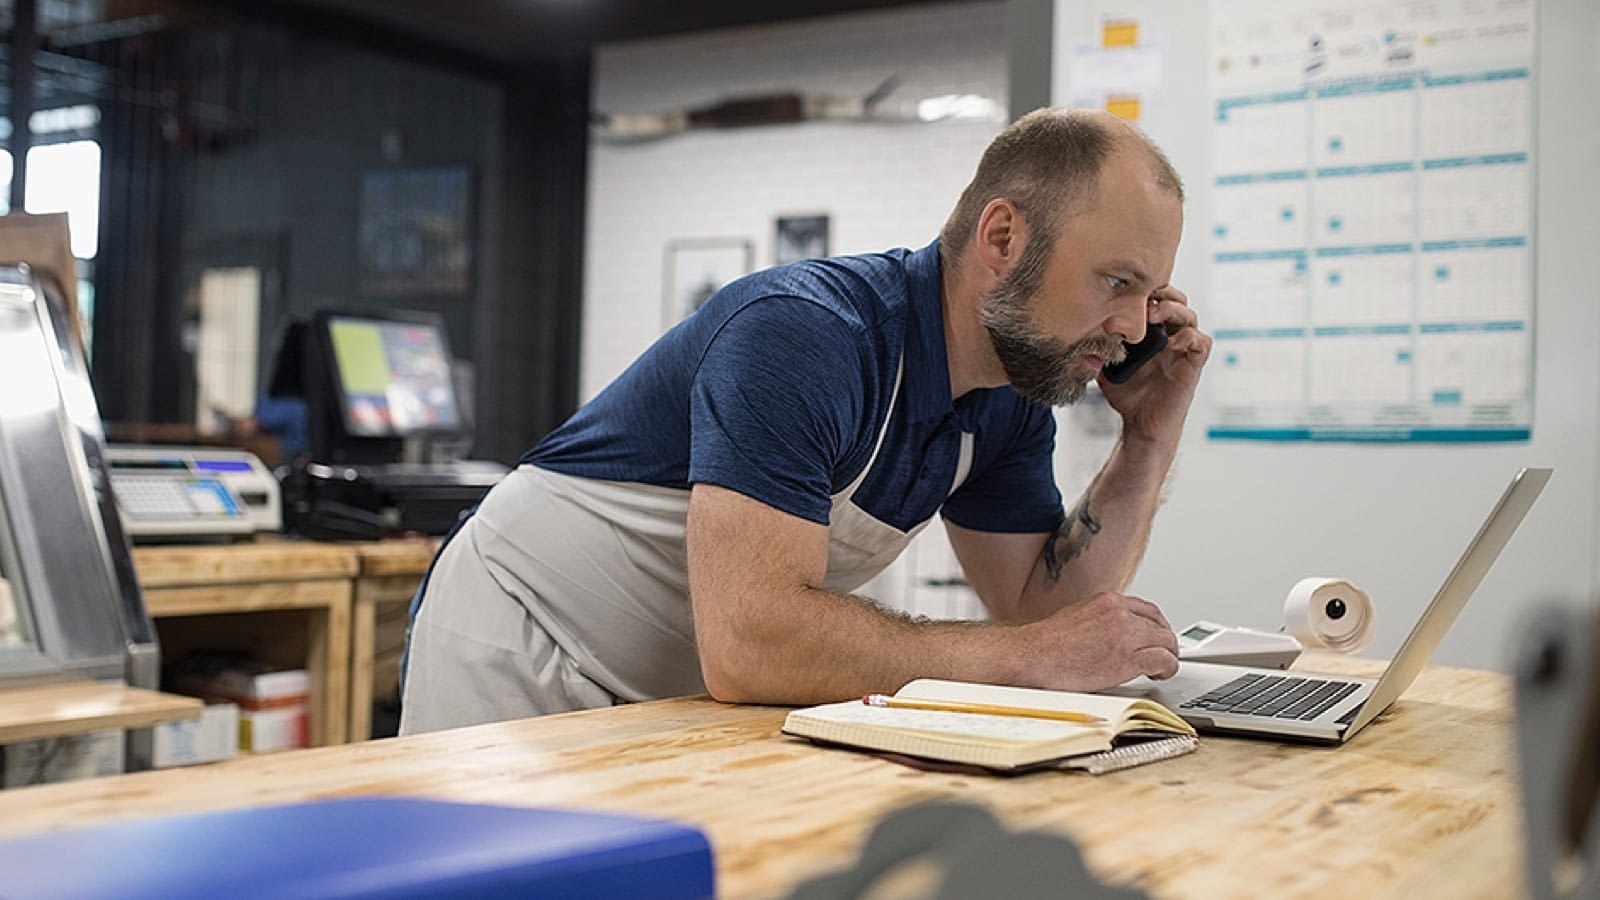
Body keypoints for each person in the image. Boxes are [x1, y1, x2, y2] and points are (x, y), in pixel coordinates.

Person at [399, 107, 1212, 735]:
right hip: (522, 642)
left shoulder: (1009, 397)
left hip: (672, 686)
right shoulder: (805, 334)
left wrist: (1148, 436)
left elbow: (1041, 615)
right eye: (1117, 282)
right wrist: (1028, 659)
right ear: (1002, 237)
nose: (1139, 327)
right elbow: (754, 638)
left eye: (1151, 295)